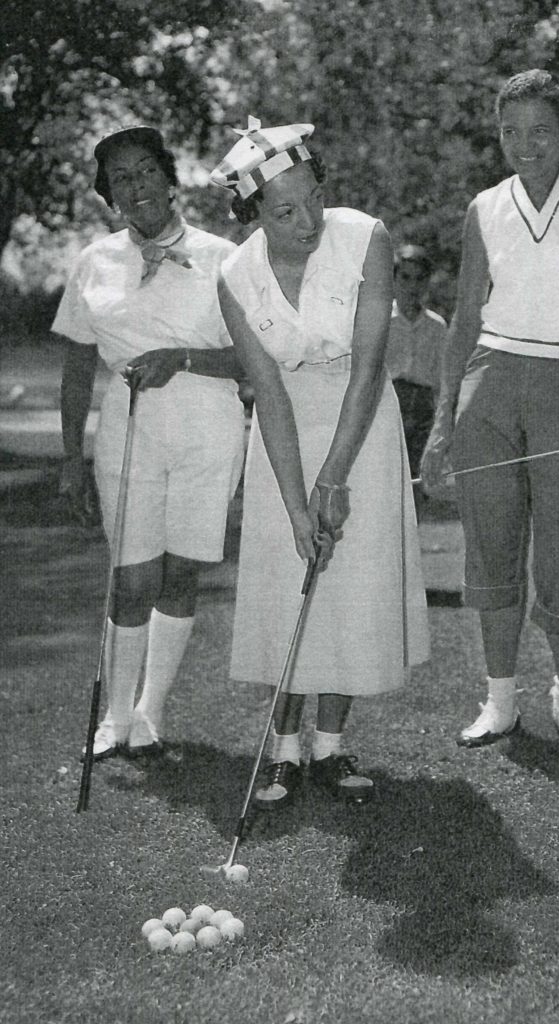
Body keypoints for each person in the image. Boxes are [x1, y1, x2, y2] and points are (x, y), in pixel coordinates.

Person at [210, 116, 430, 808]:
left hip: (360, 424)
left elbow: (368, 368)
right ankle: (279, 750)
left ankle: (331, 747)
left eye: (312, 198)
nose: (306, 220)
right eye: (283, 210)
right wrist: (297, 503)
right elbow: (266, 392)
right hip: (283, 433)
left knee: (350, 581)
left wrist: (333, 477)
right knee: (287, 576)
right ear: (253, 214)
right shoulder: (234, 274)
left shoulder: (367, 238)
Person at [422, 69, 559, 748]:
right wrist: (443, 419)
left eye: (539, 129)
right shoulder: (485, 206)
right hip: (491, 380)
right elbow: (462, 316)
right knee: (489, 547)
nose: (524, 144)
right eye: (510, 131)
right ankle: (498, 701)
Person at [53, 125, 245, 761]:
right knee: (132, 578)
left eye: (144, 172)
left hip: (208, 432)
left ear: (170, 179)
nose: (134, 187)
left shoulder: (227, 257)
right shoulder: (94, 261)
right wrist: (69, 459)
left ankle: (150, 712)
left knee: (180, 575)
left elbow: (254, 359)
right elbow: (78, 367)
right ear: (109, 195)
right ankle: (114, 721)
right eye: (119, 179)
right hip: (128, 433)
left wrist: (182, 358)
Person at [385, 244, 448, 516]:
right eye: (405, 278)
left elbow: (441, 380)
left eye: (419, 278)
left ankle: (410, 546)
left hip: (421, 408)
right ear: (394, 279)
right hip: (388, 404)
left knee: (416, 483)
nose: (412, 286)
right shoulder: (382, 321)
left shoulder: (436, 325)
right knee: (385, 478)